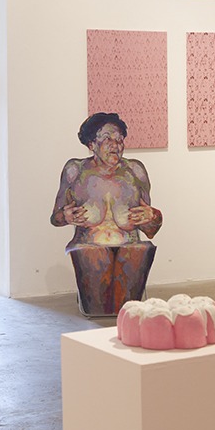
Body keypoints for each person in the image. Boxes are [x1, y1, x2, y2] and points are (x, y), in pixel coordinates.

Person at [51, 112, 163, 316]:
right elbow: (55, 218)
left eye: (120, 139)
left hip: (130, 247)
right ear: (91, 144)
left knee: (129, 310)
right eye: (107, 139)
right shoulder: (75, 171)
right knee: (97, 303)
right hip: (88, 248)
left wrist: (154, 216)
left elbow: (150, 229)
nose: (115, 145)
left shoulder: (135, 171)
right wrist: (65, 216)